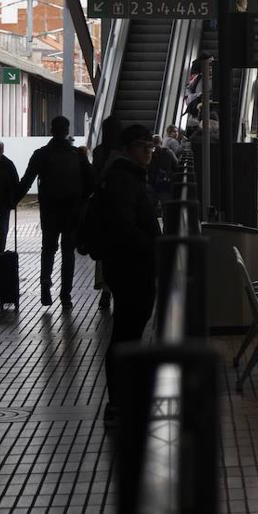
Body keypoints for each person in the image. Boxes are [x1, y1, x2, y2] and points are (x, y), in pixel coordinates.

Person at [101, 123, 161, 426]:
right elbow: (125, 226)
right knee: (126, 335)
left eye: (151, 147)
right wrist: (152, 247)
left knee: (129, 333)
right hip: (130, 268)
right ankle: (119, 402)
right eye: (143, 147)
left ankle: (125, 398)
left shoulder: (127, 175)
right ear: (126, 149)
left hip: (129, 266)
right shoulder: (123, 179)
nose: (149, 152)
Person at [16, 116, 93, 307]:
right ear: (67, 131)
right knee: (68, 253)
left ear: (52, 130)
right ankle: (65, 295)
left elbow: (26, 180)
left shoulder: (41, 154)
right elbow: (91, 182)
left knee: (48, 249)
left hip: (50, 211)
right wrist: (82, 200)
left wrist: (12, 200)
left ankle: (45, 287)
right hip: (72, 212)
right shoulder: (78, 155)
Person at [90, 115, 123, 311]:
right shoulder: (125, 151)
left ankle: (106, 290)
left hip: (103, 209)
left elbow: (94, 179)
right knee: (121, 250)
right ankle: (119, 288)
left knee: (105, 252)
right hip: (122, 208)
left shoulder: (99, 152)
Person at [147, 135, 178, 214]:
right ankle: (167, 225)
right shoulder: (169, 152)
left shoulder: (148, 153)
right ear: (161, 142)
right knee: (166, 209)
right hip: (165, 184)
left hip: (151, 184)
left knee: (150, 208)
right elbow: (176, 166)